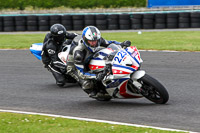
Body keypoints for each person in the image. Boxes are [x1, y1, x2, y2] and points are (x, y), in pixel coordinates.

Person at [69, 26, 131, 97]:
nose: (94, 43)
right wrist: (95, 76)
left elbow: (109, 43)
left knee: (107, 54)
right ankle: (95, 92)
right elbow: (81, 73)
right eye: (91, 41)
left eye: (95, 41)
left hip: (90, 55)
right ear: (85, 40)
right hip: (75, 66)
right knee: (87, 84)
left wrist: (122, 44)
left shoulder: (97, 40)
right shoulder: (79, 53)